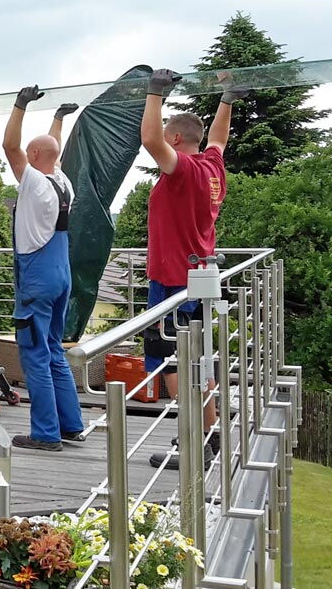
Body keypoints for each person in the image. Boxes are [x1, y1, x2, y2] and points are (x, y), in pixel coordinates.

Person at [140, 69, 244, 469]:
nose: (162, 138)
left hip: (171, 281)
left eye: (168, 133)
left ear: (177, 140)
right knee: (199, 360)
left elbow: (150, 140)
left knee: (172, 361)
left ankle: (192, 445)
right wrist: (228, 99)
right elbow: (219, 137)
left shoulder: (182, 169)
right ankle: (210, 432)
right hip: (199, 277)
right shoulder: (212, 167)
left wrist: (155, 92)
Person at [1, 86, 86, 451]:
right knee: (53, 348)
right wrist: (59, 118)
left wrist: (19, 106)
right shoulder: (63, 182)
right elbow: (51, 148)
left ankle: (46, 433)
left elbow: (10, 146)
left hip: (37, 277)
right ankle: (71, 424)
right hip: (61, 273)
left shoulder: (34, 182)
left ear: (33, 156)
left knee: (34, 352)